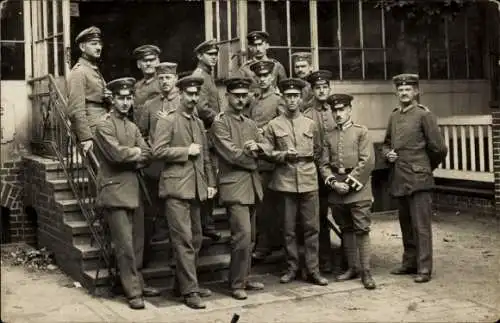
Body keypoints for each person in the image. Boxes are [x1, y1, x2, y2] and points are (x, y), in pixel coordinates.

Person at [93, 77, 160, 310]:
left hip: (133, 188)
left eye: (128, 98)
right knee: (125, 245)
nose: (125, 103)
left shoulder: (132, 127)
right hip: (114, 191)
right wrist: (134, 155)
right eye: (120, 98)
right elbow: (115, 155)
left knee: (138, 243)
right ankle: (133, 292)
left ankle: (136, 281)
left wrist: (132, 155)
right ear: (112, 100)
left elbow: (149, 153)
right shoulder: (103, 125)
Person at [152, 75, 217, 309]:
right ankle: (190, 291)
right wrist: (185, 151)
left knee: (196, 239)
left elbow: (206, 156)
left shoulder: (199, 123)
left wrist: (210, 182)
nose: (193, 98)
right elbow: (157, 151)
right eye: (189, 94)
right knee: (184, 241)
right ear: (180, 94)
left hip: (196, 188)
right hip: (176, 189)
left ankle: (181, 285)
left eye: (196, 94)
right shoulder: (168, 120)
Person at [382, 73, 447, 283]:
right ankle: (409, 262)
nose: (403, 92)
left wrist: (426, 167)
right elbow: (386, 143)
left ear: (416, 92)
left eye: (408, 89)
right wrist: (387, 154)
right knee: (406, 223)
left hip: (419, 179)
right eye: (400, 89)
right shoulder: (393, 116)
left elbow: (438, 148)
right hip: (400, 177)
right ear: (396, 92)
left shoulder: (424, 115)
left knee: (422, 226)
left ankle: (424, 268)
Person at [262, 78, 328, 286]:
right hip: (285, 181)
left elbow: (319, 150)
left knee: (312, 228)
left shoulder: (311, 124)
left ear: (300, 98)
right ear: (283, 98)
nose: (292, 100)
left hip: (309, 179)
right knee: (288, 229)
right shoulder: (273, 125)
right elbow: (267, 151)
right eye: (288, 96)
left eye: (295, 96)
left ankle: (313, 270)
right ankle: (291, 268)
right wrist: (282, 155)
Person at [211, 77, 270, 300]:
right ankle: (236, 283)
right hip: (234, 187)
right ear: (228, 96)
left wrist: (259, 147)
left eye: (244, 96)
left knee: (251, 237)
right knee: (242, 236)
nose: (241, 99)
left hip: (253, 186)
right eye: (237, 96)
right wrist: (255, 158)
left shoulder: (250, 123)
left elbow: (266, 145)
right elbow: (231, 154)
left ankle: (244, 278)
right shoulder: (220, 123)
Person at [320, 93, 376, 289]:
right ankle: (353, 268)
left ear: (350, 110)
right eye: (335, 110)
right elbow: (324, 164)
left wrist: (350, 184)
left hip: (358, 188)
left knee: (361, 228)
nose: (338, 113)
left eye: (342, 109)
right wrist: (334, 182)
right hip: (337, 188)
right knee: (345, 228)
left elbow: (367, 161)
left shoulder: (361, 132)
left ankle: (366, 271)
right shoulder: (329, 135)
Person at [137, 62, 180, 262]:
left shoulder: (184, 102)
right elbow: (142, 133)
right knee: (154, 204)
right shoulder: (150, 105)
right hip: (155, 165)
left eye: (168, 78)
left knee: (176, 211)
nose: (164, 82)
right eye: (161, 78)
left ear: (176, 79)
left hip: (177, 165)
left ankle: (175, 255)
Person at [245, 60, 284, 262]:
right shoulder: (253, 99)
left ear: (272, 77)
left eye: (266, 76)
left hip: (270, 161)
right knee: (259, 206)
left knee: (267, 206)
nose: (262, 79)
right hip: (255, 161)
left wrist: (265, 132)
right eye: (259, 76)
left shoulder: (279, 100)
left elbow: (284, 127)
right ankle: (262, 242)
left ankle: (266, 244)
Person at [303, 70, 336, 273]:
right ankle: (325, 260)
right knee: (319, 218)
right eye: (318, 88)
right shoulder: (307, 114)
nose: (322, 91)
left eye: (325, 87)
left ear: (329, 89)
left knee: (342, 214)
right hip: (316, 173)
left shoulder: (337, 110)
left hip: (338, 171)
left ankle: (349, 260)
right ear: (313, 90)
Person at [192, 39, 223, 242]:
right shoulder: (199, 76)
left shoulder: (208, 76)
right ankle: (205, 224)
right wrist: (217, 118)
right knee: (206, 177)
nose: (213, 57)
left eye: (215, 54)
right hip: (203, 133)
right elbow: (202, 107)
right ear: (200, 56)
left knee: (211, 177)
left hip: (210, 134)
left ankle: (207, 223)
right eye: (209, 54)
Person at [66, 26, 109, 155]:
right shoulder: (79, 72)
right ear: (82, 47)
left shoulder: (93, 69)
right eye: (93, 44)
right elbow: (76, 108)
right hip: (92, 128)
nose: (98, 47)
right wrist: (86, 137)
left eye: (100, 44)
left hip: (103, 124)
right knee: (98, 170)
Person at [132, 44, 162, 122]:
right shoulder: (137, 86)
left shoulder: (163, 82)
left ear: (158, 61)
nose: (148, 64)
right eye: (144, 61)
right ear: (138, 64)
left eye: (151, 60)